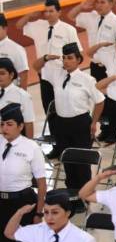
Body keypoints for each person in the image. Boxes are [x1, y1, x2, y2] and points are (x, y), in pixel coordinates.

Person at [32, 42, 104, 190]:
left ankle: (84, 195)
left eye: (70, 57)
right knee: (67, 161)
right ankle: (72, 194)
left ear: (78, 60)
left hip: (81, 123)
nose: (66, 60)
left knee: (81, 163)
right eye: (64, 57)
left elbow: (100, 101)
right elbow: (36, 67)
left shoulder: (87, 80)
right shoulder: (56, 73)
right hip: (61, 124)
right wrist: (46, 57)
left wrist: (94, 122)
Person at [17, 0, 81, 157]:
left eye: (51, 11)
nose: (48, 14)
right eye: (46, 11)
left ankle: (69, 145)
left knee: (65, 111)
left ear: (59, 12)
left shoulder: (68, 30)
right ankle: (58, 147)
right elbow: (18, 26)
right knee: (50, 112)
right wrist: (29, 16)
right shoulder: (38, 26)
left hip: (63, 77)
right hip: (45, 76)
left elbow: (78, 55)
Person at [0, 103, 46, 242]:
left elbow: (42, 183)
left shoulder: (30, 147)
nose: (4, 128)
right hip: (2, 204)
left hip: (24, 204)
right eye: (2, 124)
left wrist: (38, 212)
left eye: (9, 124)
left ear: (20, 126)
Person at [68, 0, 116, 81]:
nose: (99, 5)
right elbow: (70, 16)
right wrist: (81, 7)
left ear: (111, 4)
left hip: (111, 67)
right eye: (97, 2)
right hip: (95, 66)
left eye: (102, 2)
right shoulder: (91, 17)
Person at [0, 58, 35, 138]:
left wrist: (28, 146)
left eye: (2, 73)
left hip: (14, 139)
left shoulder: (22, 95)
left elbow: (28, 123)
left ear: (11, 75)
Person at [0, 13, 30, 89]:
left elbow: (23, 74)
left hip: (9, 95)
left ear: (5, 28)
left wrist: (22, 97)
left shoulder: (16, 49)